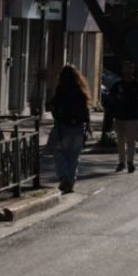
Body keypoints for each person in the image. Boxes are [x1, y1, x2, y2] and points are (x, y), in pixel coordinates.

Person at [48, 64, 92, 194]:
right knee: (73, 157)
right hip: (78, 128)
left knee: (59, 152)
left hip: (64, 128)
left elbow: (55, 106)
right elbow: (86, 109)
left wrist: (55, 115)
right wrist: (88, 125)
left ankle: (65, 177)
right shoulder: (81, 90)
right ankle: (70, 182)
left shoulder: (61, 89)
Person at [109, 61, 138, 174]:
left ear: (133, 70)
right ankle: (122, 162)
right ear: (122, 70)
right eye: (126, 69)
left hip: (133, 117)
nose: (128, 71)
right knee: (120, 141)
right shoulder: (117, 85)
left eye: (130, 69)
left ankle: (130, 162)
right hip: (119, 117)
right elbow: (111, 100)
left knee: (131, 141)